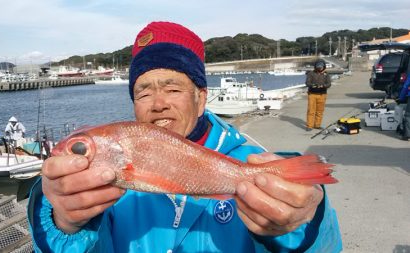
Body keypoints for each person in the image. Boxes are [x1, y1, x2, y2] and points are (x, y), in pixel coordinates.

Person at [28, 21, 342, 252]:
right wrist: (63, 221)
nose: (158, 102)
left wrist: (303, 221)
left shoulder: (247, 158)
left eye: (173, 88)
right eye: (143, 91)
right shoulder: (102, 187)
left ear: (201, 98)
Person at [305, 59, 331, 131]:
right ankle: (309, 126)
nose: (320, 68)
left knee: (320, 111)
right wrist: (313, 85)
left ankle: (317, 125)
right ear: (315, 67)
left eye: (321, 67)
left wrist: (323, 86)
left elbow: (329, 84)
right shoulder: (311, 73)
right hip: (312, 94)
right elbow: (307, 83)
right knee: (311, 110)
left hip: (322, 94)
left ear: (324, 66)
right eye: (318, 67)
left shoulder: (326, 74)